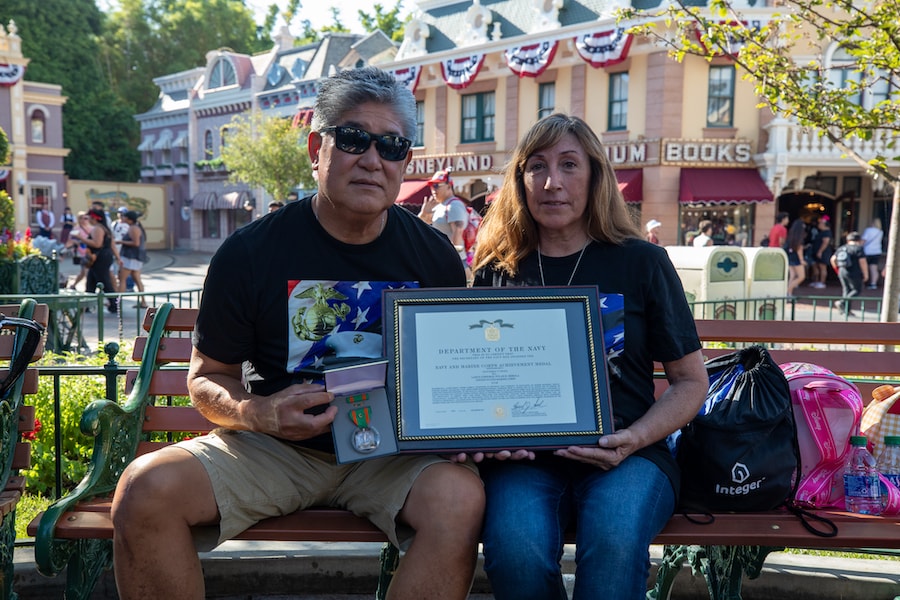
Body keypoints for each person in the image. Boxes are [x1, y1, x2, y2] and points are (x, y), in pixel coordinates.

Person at [109, 66, 484, 600]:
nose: (373, 159)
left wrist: (475, 429)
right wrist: (255, 413)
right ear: (316, 148)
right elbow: (208, 378)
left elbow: (454, 374)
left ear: (405, 160)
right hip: (273, 450)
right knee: (145, 490)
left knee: (461, 499)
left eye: (393, 146)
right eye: (353, 138)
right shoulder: (249, 252)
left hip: (393, 455)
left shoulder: (435, 256)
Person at [469, 113, 708, 599]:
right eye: (536, 166)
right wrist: (485, 434)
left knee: (614, 539)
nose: (552, 182)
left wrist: (634, 438)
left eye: (569, 165)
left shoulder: (641, 261)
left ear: (596, 176)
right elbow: (481, 381)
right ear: (520, 180)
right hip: (525, 460)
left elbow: (690, 382)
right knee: (516, 545)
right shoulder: (499, 269)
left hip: (629, 457)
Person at [71, 208, 122, 312]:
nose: (87, 219)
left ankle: (114, 304)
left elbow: (97, 244)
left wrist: (81, 238)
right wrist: (117, 257)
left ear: (94, 218)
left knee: (104, 281)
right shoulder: (105, 228)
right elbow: (112, 244)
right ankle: (87, 305)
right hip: (104, 256)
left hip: (100, 257)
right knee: (91, 280)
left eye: (88, 217)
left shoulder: (98, 229)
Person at [417, 169, 468, 261]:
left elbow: (458, 232)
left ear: (448, 186)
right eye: (432, 186)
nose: (433, 190)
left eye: (436, 185)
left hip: (453, 260)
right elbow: (419, 225)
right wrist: (423, 213)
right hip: (442, 258)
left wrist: (451, 258)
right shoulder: (440, 206)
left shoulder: (453, 205)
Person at [830, 231, 868, 317]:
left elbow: (832, 259)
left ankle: (846, 310)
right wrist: (866, 274)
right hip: (854, 272)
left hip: (842, 270)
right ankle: (842, 302)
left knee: (846, 290)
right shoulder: (858, 248)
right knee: (856, 290)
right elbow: (862, 262)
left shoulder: (842, 248)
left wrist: (837, 269)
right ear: (858, 240)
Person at [117, 210, 148, 307]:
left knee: (122, 279)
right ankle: (143, 301)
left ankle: (118, 302)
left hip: (131, 257)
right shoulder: (135, 227)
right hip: (134, 256)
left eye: (125, 217)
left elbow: (136, 243)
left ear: (129, 219)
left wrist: (121, 242)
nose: (122, 218)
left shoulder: (133, 228)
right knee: (137, 279)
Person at [65, 211, 93, 290]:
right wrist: (76, 242)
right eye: (81, 218)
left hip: (90, 251)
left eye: (86, 218)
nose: (84, 220)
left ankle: (74, 285)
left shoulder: (92, 228)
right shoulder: (76, 229)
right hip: (81, 252)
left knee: (83, 272)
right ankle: (88, 288)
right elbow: (70, 241)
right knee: (86, 271)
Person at [785, 219, 807, 297]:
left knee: (792, 275)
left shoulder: (790, 235)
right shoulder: (800, 237)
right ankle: (788, 291)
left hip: (790, 257)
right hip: (797, 259)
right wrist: (802, 260)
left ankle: (789, 294)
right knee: (801, 276)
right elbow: (799, 249)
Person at [810, 216, 833, 289]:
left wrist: (820, 251)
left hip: (823, 252)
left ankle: (822, 282)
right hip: (817, 251)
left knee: (822, 267)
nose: (818, 224)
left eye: (820, 223)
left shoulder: (827, 232)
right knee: (817, 266)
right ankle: (817, 281)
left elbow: (825, 242)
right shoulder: (822, 232)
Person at [861, 218, 883, 289]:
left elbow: (863, 240)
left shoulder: (868, 230)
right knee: (874, 268)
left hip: (867, 251)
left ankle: (862, 282)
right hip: (876, 251)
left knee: (863, 267)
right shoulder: (880, 232)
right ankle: (873, 284)